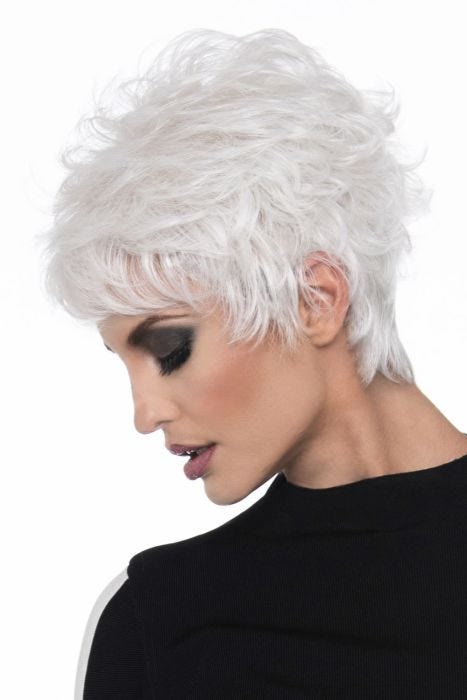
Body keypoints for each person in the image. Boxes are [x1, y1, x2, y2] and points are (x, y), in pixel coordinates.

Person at [38, 28, 467, 699]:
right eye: (124, 361)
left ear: (315, 300)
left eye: (169, 349)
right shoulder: (162, 621)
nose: (144, 414)